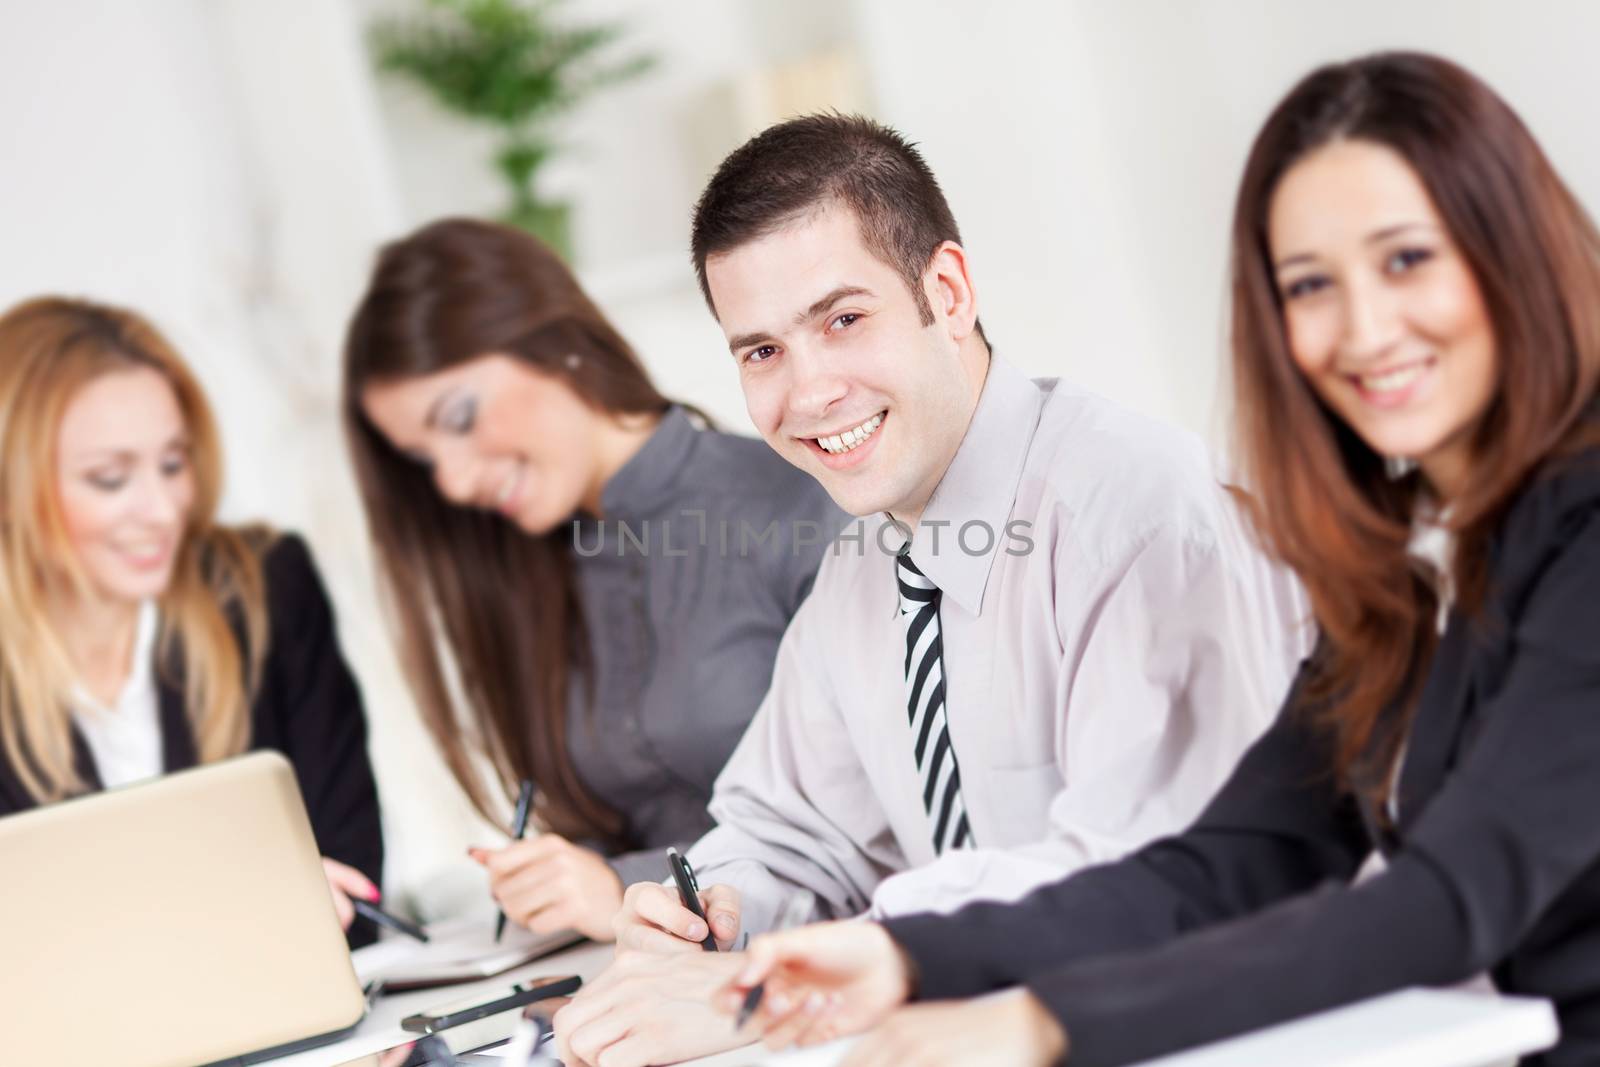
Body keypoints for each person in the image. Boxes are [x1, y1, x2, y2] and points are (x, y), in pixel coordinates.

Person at [717, 51, 1600, 1067]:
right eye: (1309, 284)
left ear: (1507, 250)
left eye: (1407, 260)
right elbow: (1239, 858)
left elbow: (1450, 897)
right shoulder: (1405, 553)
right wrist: (905, 957)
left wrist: (1044, 1020)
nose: (1362, 328)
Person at [553, 116, 1309, 1065]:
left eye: (842, 319)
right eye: (761, 352)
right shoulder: (867, 564)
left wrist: (789, 986)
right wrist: (707, 913)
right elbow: (788, 828)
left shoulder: (1138, 514)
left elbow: (1144, 878)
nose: (809, 390)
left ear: (946, 292)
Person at [343, 218, 843, 942]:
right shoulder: (526, 572)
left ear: (556, 343)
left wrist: (620, 886)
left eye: (458, 417)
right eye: (423, 459)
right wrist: (560, 877)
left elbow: (863, 830)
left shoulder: (799, 504)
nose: (450, 482)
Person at [0, 296, 385, 943]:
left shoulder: (266, 591)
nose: (162, 508)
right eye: (110, 478)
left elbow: (356, 888)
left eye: (173, 464)